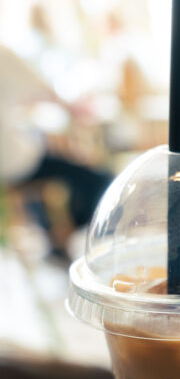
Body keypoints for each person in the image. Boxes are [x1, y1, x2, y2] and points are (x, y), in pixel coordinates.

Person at [0, 42, 111, 244]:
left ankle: (52, 234)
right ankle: (79, 239)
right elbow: (39, 88)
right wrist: (71, 108)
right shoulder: (3, 56)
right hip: (12, 163)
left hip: (15, 161)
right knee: (99, 179)